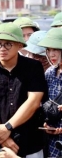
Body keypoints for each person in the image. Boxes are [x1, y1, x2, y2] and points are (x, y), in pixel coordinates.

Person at [0, 23, 47, 157]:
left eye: (8, 44)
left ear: (20, 45)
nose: (2, 48)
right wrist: (2, 138)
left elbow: (34, 101)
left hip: (31, 142)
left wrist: (8, 127)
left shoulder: (33, 67)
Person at [37, 27, 62, 157]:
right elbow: (45, 103)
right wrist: (46, 123)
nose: (51, 54)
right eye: (49, 50)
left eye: (56, 49)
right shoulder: (50, 73)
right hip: (52, 141)